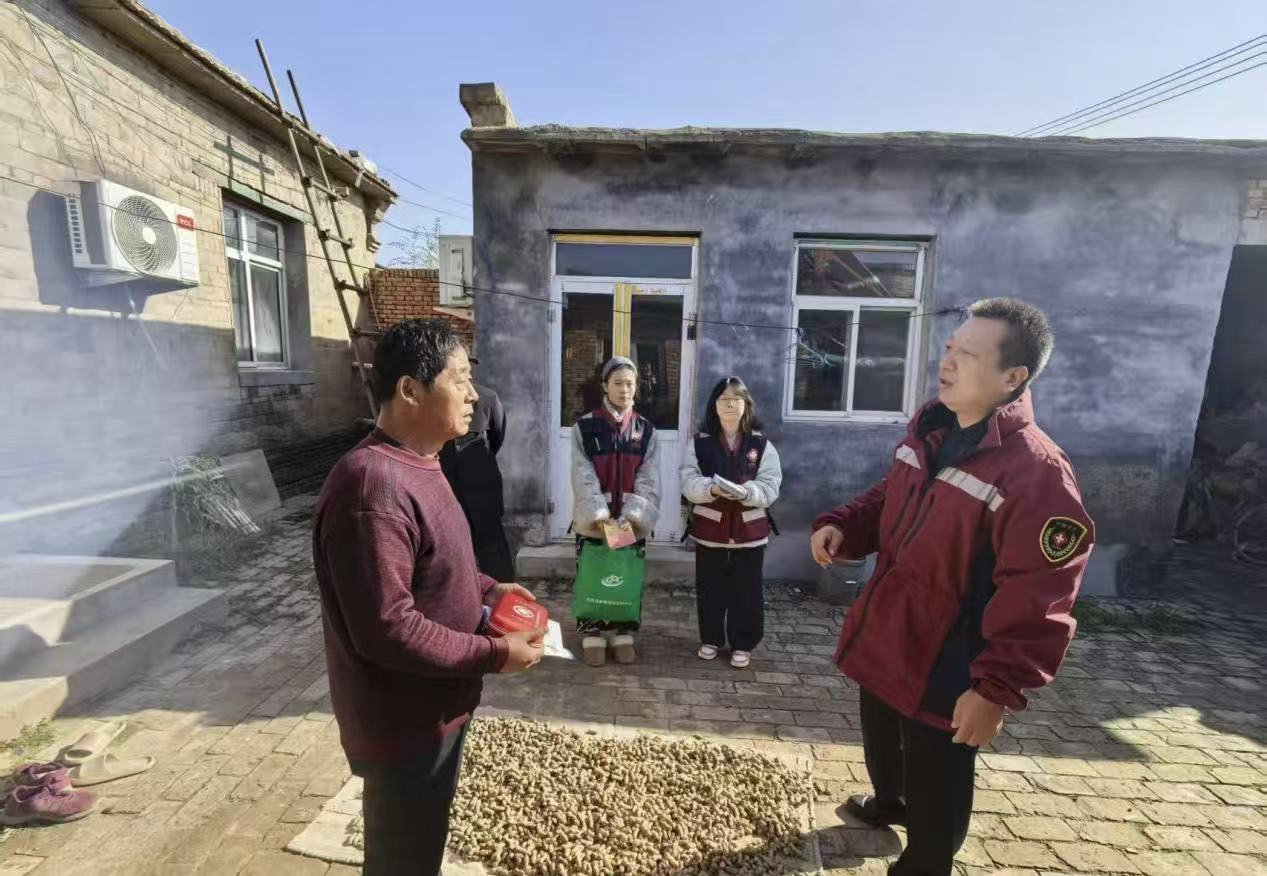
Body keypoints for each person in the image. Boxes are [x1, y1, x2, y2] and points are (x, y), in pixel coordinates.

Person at [809, 299, 1094, 876]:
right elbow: (891, 496)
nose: (948, 362)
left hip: (950, 655)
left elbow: (1041, 594)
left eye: (969, 354)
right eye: (949, 348)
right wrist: (845, 524)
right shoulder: (932, 431)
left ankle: (926, 860)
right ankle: (890, 801)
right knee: (883, 734)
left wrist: (995, 689)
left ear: (1012, 378)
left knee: (938, 769)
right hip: (891, 625)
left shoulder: (1036, 473)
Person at [312, 319, 545, 876]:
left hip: (436, 708)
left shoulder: (424, 462)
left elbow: (436, 564)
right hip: (403, 725)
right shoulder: (373, 488)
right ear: (410, 390)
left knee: (420, 851)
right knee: (403, 862)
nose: (473, 395)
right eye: (459, 379)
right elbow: (388, 629)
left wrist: (490, 588)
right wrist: (495, 654)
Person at [680, 376, 782, 669]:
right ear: (714, 405)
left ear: (746, 404)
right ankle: (710, 639)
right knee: (710, 589)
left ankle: (743, 643)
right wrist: (710, 489)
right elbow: (687, 480)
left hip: (750, 534)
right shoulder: (699, 443)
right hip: (710, 531)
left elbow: (771, 485)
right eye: (723, 399)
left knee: (747, 592)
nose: (729, 405)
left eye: (735, 399)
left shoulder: (761, 444)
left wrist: (747, 493)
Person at [571, 355, 661, 666]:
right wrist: (601, 518)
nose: (624, 389)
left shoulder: (646, 430)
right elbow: (582, 475)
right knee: (592, 574)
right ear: (605, 386)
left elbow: (649, 478)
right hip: (595, 521)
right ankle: (592, 632)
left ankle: (623, 632)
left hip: (629, 523)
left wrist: (632, 520)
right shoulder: (585, 427)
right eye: (618, 383)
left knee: (625, 575)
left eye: (630, 384)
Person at [440, 381, 514, 582]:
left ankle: (504, 592)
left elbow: (497, 434)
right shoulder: (436, 398)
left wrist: (475, 459)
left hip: (482, 482)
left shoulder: (487, 398)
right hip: (447, 484)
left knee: (492, 545)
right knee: (452, 544)